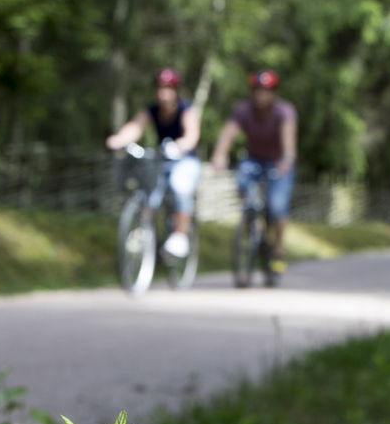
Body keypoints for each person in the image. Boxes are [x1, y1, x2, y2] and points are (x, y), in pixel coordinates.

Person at [106, 68, 201, 257]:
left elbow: (192, 136)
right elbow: (135, 127)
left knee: (179, 186)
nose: (163, 93)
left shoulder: (185, 109)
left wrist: (178, 146)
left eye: (167, 88)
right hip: (161, 159)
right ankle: (142, 231)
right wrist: (118, 139)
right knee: (149, 192)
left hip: (185, 160)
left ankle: (180, 236)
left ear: (176, 90)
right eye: (160, 88)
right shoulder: (152, 109)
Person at [211, 69, 297, 274]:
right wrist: (219, 155)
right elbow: (228, 133)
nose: (261, 95)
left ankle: (278, 248)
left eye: (266, 91)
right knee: (244, 187)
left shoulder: (284, 111)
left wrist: (286, 159)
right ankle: (252, 232)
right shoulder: (243, 110)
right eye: (257, 90)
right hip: (254, 160)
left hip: (279, 162)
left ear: (274, 93)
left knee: (276, 207)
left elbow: (288, 139)